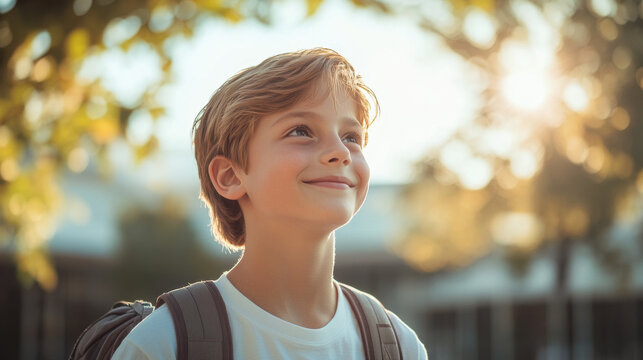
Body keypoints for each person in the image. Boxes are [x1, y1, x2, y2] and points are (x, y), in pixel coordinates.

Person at [112, 47, 428, 359]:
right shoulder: (163, 344)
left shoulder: (399, 347)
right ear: (230, 176)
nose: (341, 152)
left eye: (351, 137)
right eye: (301, 131)